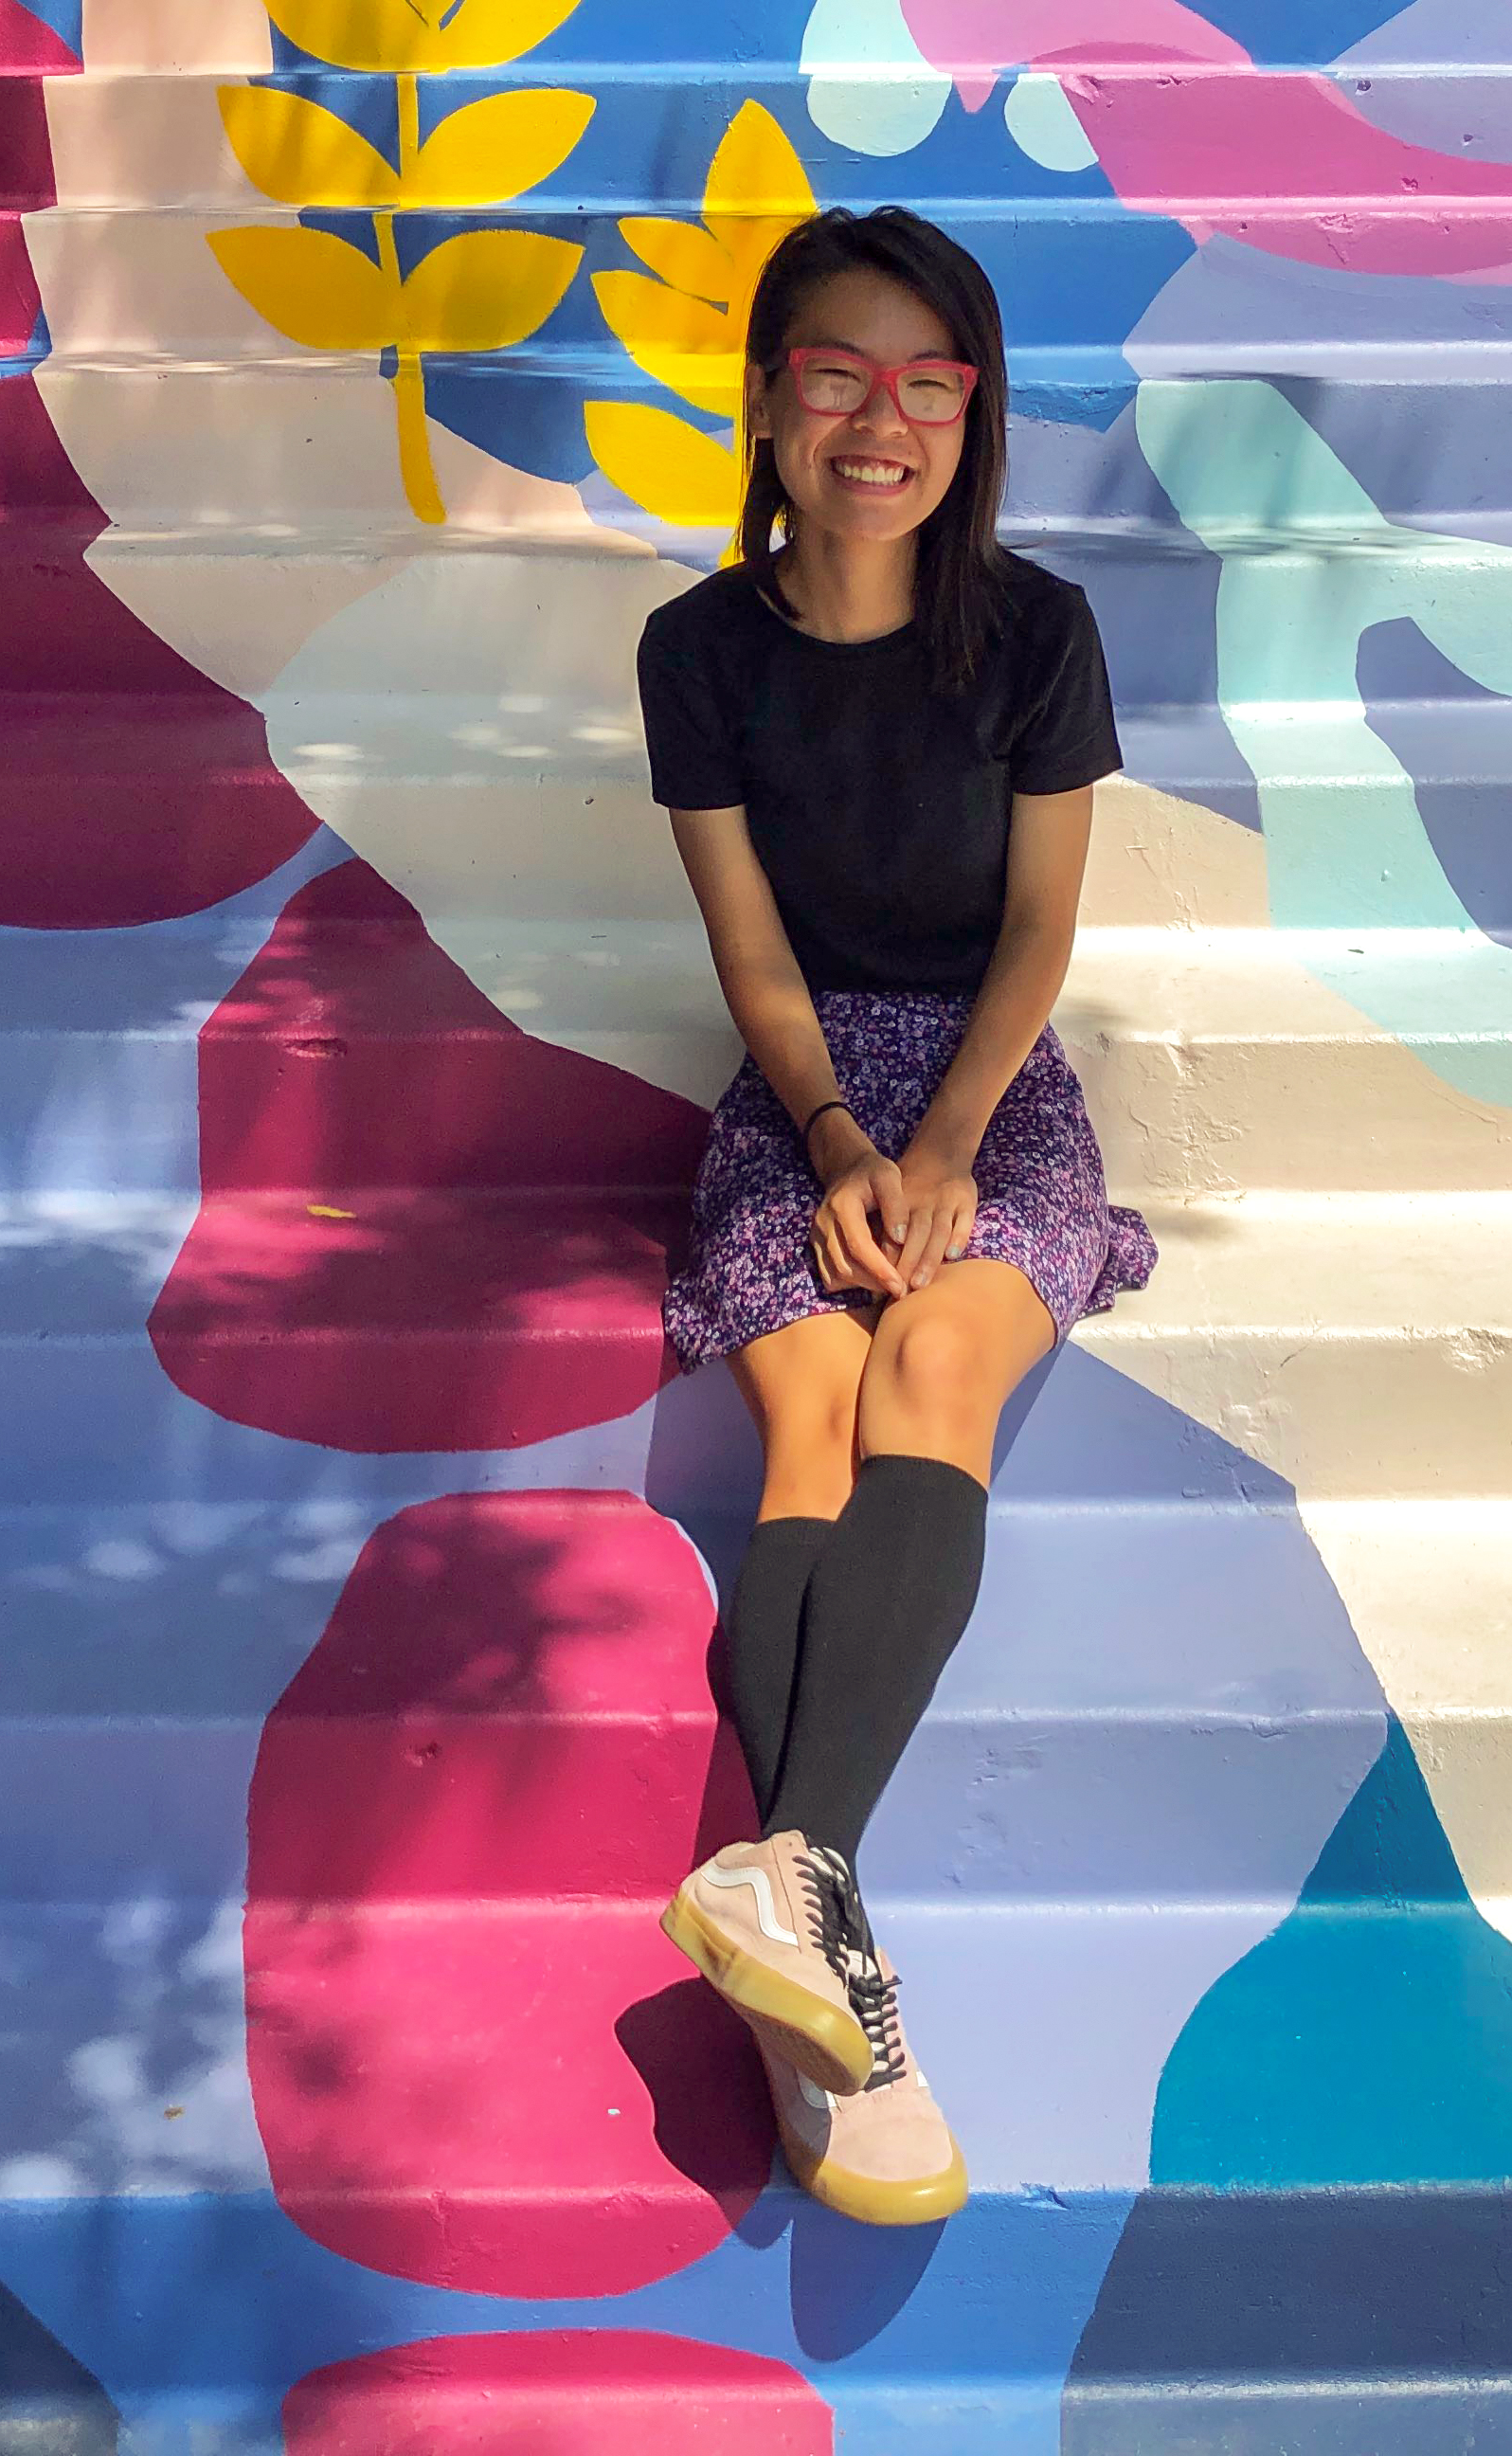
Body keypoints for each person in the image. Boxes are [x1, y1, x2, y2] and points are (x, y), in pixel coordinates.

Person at [636, 205, 1155, 2228]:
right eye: (840, 375)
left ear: (975, 415)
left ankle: (800, 1879)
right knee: (811, 1409)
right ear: (767, 401)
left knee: (937, 1354)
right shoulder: (700, 652)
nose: (887, 422)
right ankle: (827, 1951)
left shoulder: (1035, 638)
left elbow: (1038, 935)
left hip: (986, 1087)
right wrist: (839, 1139)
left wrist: (940, 1148)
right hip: (800, 1094)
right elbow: (753, 959)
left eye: (933, 384)